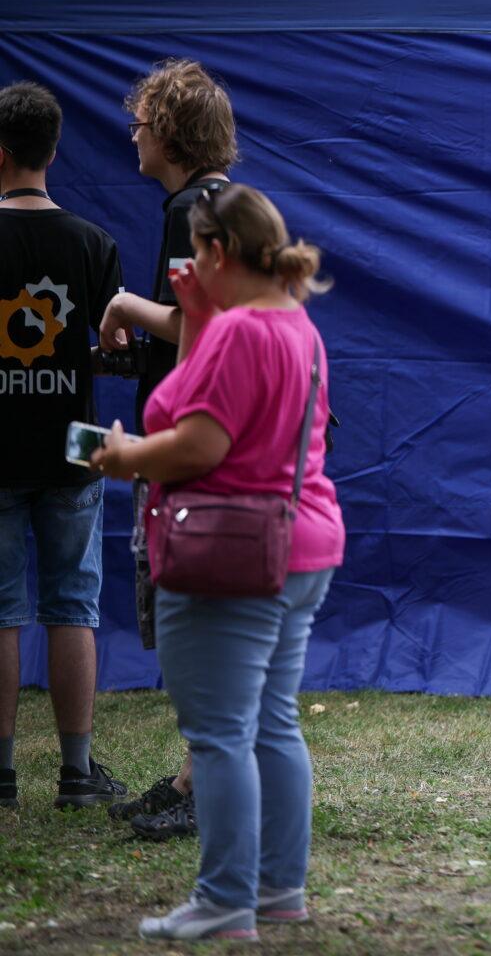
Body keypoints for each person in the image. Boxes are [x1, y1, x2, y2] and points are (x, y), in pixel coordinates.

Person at [91, 184, 344, 942]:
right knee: (271, 723)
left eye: (196, 252)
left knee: (219, 734)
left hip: (230, 551)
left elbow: (203, 441)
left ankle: (225, 897)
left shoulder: (240, 334)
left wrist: (127, 456)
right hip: (300, 543)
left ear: (217, 251)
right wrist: (200, 319)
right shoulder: (295, 324)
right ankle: (277, 890)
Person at [98, 58, 237, 840]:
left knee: (187, 613)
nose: (134, 134)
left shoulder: (191, 206)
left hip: (193, 445)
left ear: (172, 132)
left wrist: (121, 303)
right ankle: (194, 773)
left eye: (143, 121)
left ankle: (205, 786)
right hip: (221, 442)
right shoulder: (223, 202)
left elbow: (195, 329)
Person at [0, 82, 130, 811]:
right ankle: (77, 776)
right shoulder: (94, 245)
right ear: (54, 152)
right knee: (73, 605)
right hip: (74, 444)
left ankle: (3, 777)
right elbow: (113, 345)